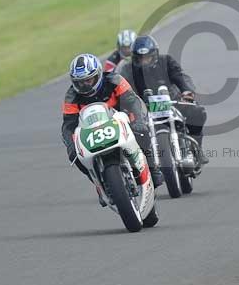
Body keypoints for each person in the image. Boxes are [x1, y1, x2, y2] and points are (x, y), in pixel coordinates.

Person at [60, 53, 163, 187]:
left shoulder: (115, 80)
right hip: (93, 129)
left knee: (142, 131)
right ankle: (99, 183)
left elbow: (133, 102)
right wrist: (71, 146)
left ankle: (152, 167)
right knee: (75, 155)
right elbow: (68, 125)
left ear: (98, 75)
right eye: (80, 82)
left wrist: (138, 121)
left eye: (88, 80)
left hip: (122, 118)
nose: (84, 85)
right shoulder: (71, 96)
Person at [119, 35, 207, 164]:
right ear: (134, 57)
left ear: (154, 54)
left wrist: (187, 91)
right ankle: (143, 165)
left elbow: (180, 76)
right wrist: (125, 106)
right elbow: (122, 89)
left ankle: (196, 149)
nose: (144, 61)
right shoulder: (127, 69)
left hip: (171, 101)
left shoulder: (166, 61)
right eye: (140, 58)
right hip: (143, 108)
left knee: (197, 112)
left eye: (148, 57)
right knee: (130, 131)